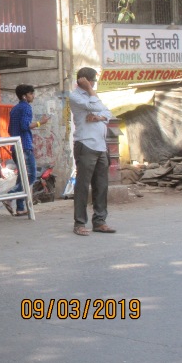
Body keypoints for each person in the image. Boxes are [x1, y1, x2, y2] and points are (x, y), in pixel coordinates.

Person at [69, 67, 116, 236]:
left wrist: (99, 117)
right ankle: (79, 223)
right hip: (86, 144)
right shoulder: (75, 96)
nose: (94, 84)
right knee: (83, 186)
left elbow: (107, 112)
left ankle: (100, 221)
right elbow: (94, 105)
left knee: (101, 185)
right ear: (85, 80)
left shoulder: (93, 96)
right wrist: (89, 90)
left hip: (101, 145)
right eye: (92, 81)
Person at [7, 84, 49, 216]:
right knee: (30, 177)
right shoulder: (26, 107)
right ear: (25, 96)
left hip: (15, 146)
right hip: (25, 146)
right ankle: (10, 196)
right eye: (31, 94)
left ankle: (20, 208)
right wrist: (40, 123)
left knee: (22, 177)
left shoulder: (14, 109)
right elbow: (25, 126)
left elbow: (10, 129)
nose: (33, 96)